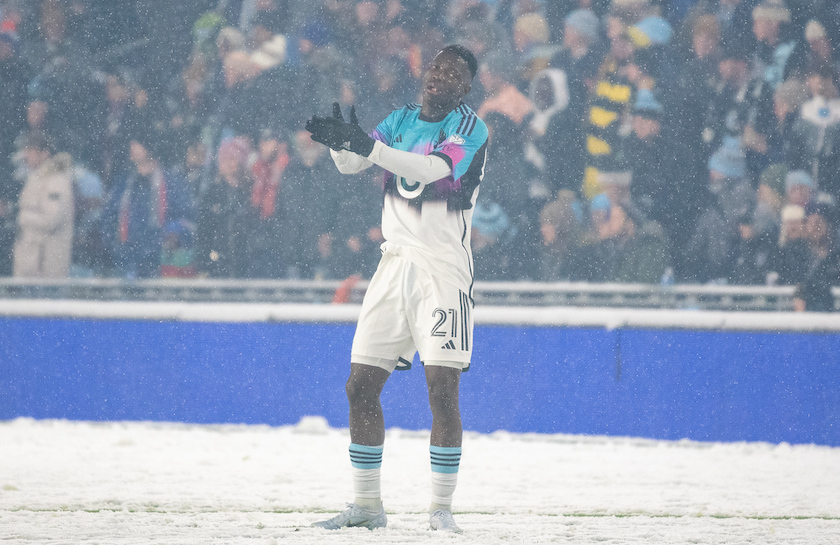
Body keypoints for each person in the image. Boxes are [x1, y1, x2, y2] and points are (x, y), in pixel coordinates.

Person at [305, 44, 487, 533]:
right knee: (359, 386)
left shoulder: (470, 128)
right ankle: (367, 505)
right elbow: (353, 166)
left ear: (465, 87)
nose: (440, 75)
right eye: (436, 67)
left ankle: (440, 508)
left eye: (453, 72)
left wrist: (371, 149)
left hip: (443, 272)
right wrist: (341, 144)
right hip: (394, 266)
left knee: (441, 390)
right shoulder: (400, 117)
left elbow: (431, 171)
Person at [12, 133, 74, 278]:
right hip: (31, 264)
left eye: (31, 150)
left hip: (45, 269)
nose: (26, 155)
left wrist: (21, 216)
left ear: (44, 153)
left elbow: (52, 220)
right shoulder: (37, 177)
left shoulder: (56, 180)